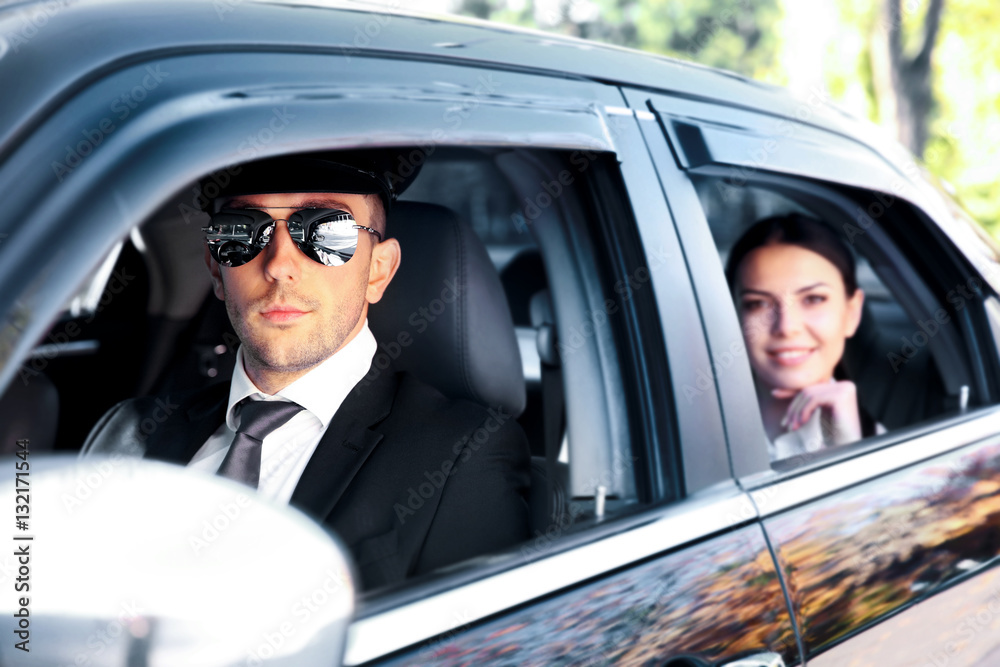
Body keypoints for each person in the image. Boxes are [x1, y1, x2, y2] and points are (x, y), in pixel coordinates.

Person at [82, 151, 531, 590]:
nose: (279, 265)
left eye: (326, 231)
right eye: (242, 231)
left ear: (378, 271)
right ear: (216, 271)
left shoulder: (461, 457)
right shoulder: (128, 435)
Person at [725, 213, 882, 461]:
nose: (786, 327)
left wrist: (846, 450)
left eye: (813, 299)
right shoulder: (682, 425)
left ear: (852, 313)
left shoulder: (886, 449)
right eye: (758, 303)